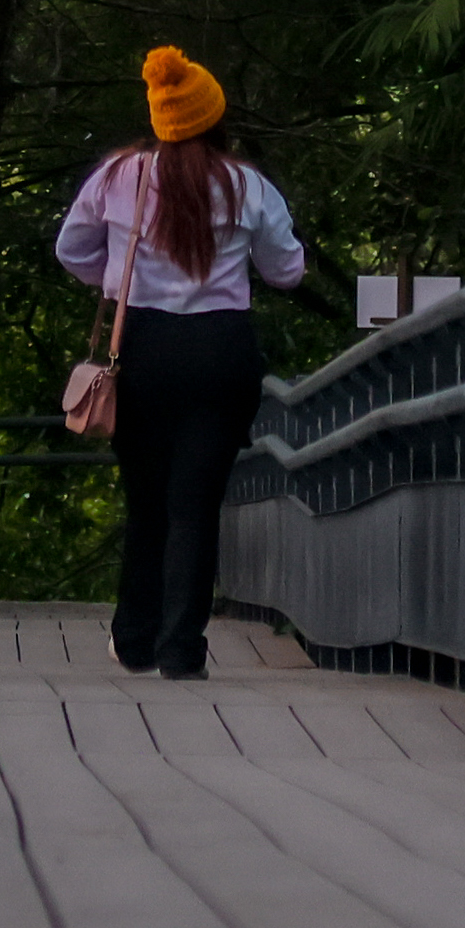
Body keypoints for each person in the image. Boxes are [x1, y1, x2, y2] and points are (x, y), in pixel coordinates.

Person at [53, 45, 307, 679]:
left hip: (139, 350)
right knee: (195, 505)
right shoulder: (247, 185)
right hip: (220, 353)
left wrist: (114, 278)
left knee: (145, 499)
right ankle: (181, 649)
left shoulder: (119, 178)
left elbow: (70, 249)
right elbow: (288, 272)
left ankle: (133, 635)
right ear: (215, 117)